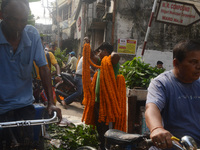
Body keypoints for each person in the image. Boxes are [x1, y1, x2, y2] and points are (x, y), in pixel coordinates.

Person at [0, 0, 62, 147]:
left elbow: (44, 68)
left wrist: (51, 103)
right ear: (2, 15)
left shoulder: (32, 34)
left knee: (28, 144)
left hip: (24, 105)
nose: (18, 26)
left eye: (23, 21)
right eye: (14, 20)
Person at [145, 40, 200, 149]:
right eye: (193, 62)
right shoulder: (161, 83)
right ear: (176, 63)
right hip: (171, 146)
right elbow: (151, 108)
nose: (199, 66)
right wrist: (157, 129)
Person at [94, 42, 120, 150]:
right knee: (98, 125)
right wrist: (87, 44)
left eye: (100, 51)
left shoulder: (112, 62)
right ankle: (102, 145)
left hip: (107, 102)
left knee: (106, 127)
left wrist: (110, 53)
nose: (98, 54)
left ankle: (107, 146)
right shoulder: (102, 63)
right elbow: (91, 57)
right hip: (98, 100)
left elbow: (116, 56)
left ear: (105, 51)